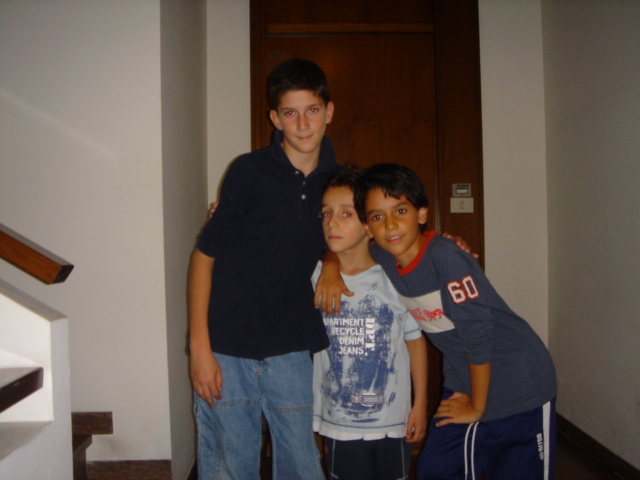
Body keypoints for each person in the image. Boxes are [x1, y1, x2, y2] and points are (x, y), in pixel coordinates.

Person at [352, 163, 558, 480]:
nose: (390, 225)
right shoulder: (384, 257)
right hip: (464, 381)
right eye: (377, 217)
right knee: (436, 469)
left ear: (422, 214)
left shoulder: (444, 256)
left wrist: (477, 407)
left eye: (400, 211)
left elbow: (478, 333)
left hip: (519, 384)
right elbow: (343, 250)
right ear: (368, 228)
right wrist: (328, 265)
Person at [187, 58, 338, 480]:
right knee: (230, 463)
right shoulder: (248, 171)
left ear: (329, 111)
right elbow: (204, 256)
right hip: (225, 343)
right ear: (275, 118)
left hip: (290, 342)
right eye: (290, 113)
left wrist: (330, 261)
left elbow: (360, 238)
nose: (302, 124)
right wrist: (200, 347)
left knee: (301, 462)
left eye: (312, 110)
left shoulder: (339, 182)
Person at [312, 167, 428, 480]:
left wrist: (420, 403)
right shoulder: (314, 277)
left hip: (392, 421)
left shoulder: (393, 278)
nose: (332, 222)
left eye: (345, 214)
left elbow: (414, 340)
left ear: (367, 225)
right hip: (339, 424)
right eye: (326, 213)